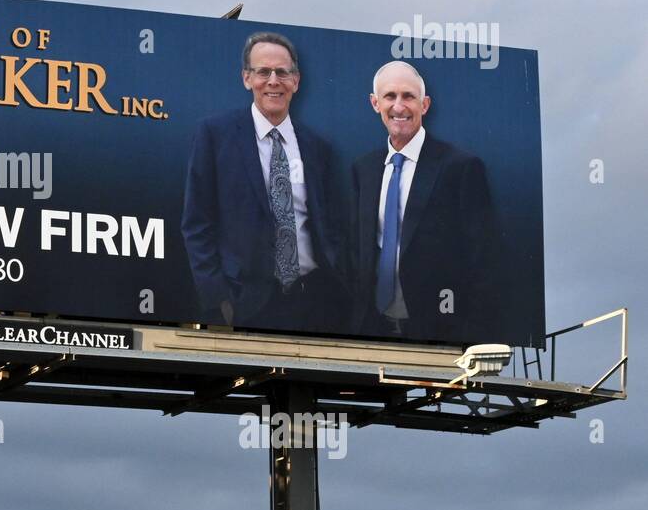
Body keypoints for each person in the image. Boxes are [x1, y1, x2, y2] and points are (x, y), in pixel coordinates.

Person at [182, 31, 347, 332]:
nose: (273, 81)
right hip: (245, 304)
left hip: (317, 302)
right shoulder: (215, 135)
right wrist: (219, 300)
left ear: (296, 82)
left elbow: (334, 226)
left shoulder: (318, 147)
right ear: (247, 78)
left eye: (283, 72)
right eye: (263, 72)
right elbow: (197, 223)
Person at [350, 60, 502, 343]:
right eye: (390, 96)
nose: (399, 106)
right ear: (374, 103)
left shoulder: (460, 166)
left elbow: (485, 258)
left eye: (408, 96)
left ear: (425, 104)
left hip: (439, 329)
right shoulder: (364, 169)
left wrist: (474, 338)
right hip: (372, 330)